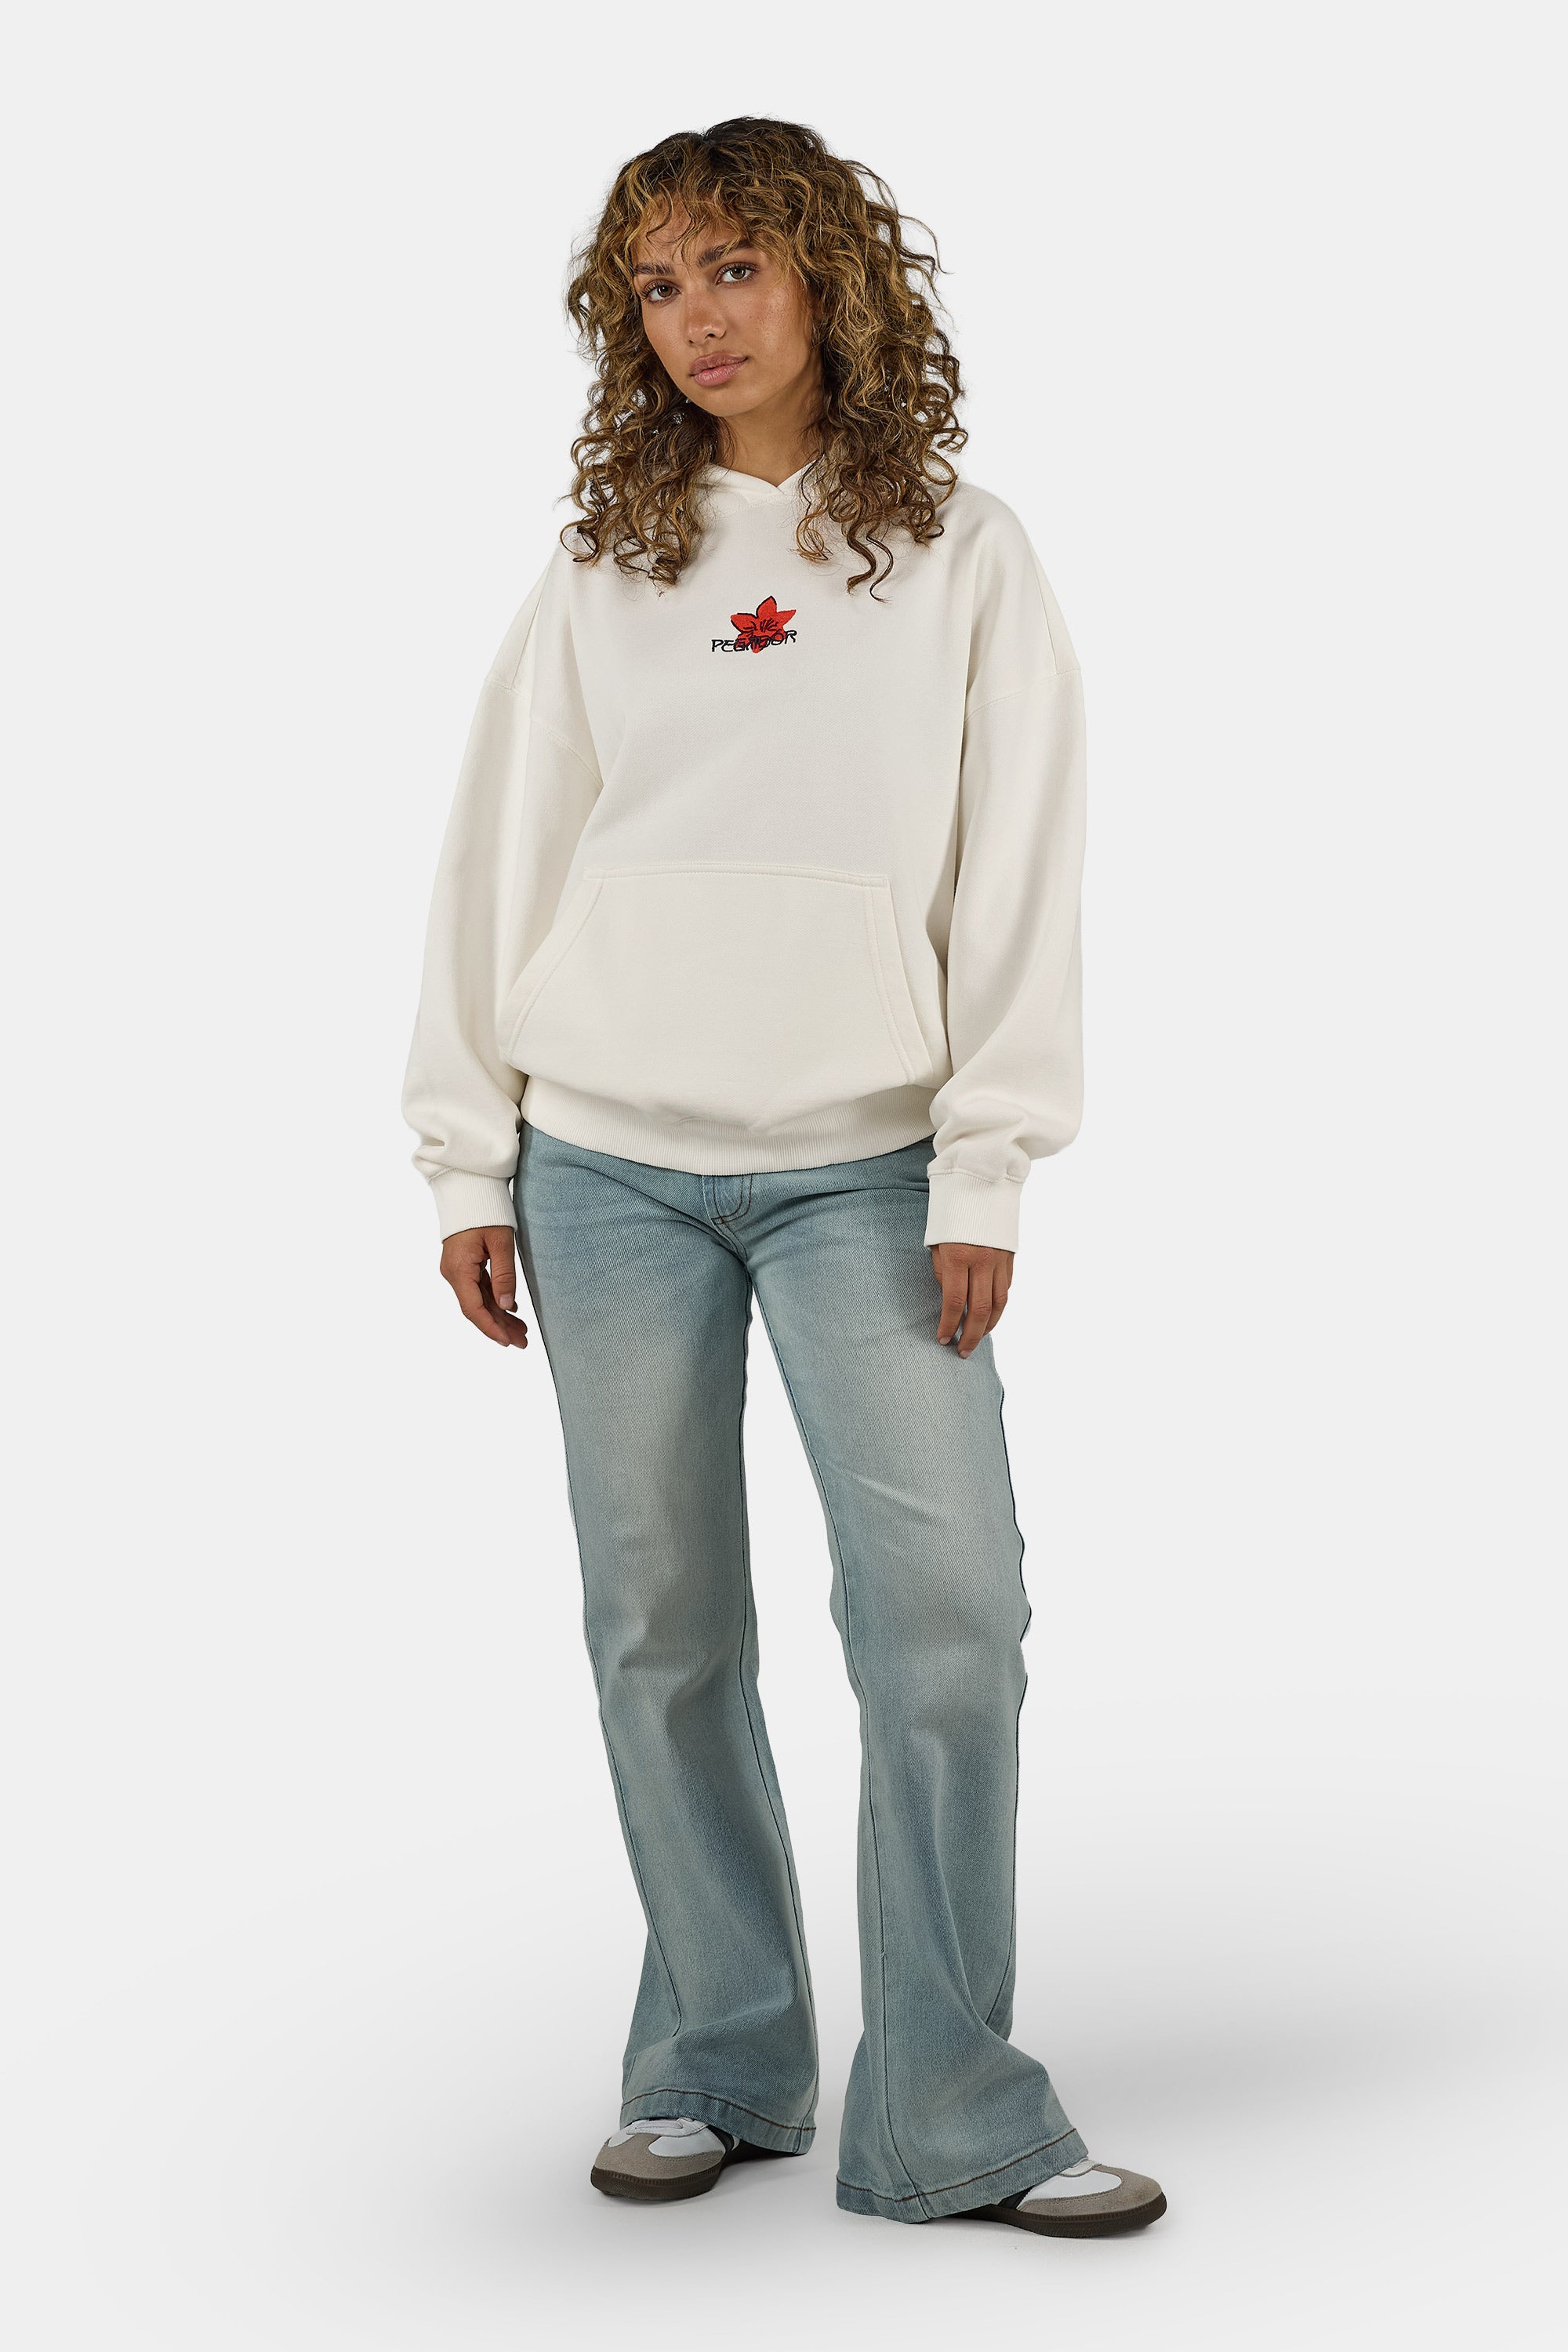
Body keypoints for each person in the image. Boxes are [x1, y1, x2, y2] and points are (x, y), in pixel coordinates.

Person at [402, 116, 1165, 2238]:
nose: (696, 319)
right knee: (661, 1625)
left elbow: (1021, 873)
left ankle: (949, 2112)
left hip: (869, 1168)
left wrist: (987, 1165)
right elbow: (498, 859)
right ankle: (720, 2061)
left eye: (733, 266)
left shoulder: (962, 553)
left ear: (831, 275)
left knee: (949, 1618)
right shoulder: (607, 565)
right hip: (605, 1164)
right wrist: (469, 1152)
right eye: (656, 287)